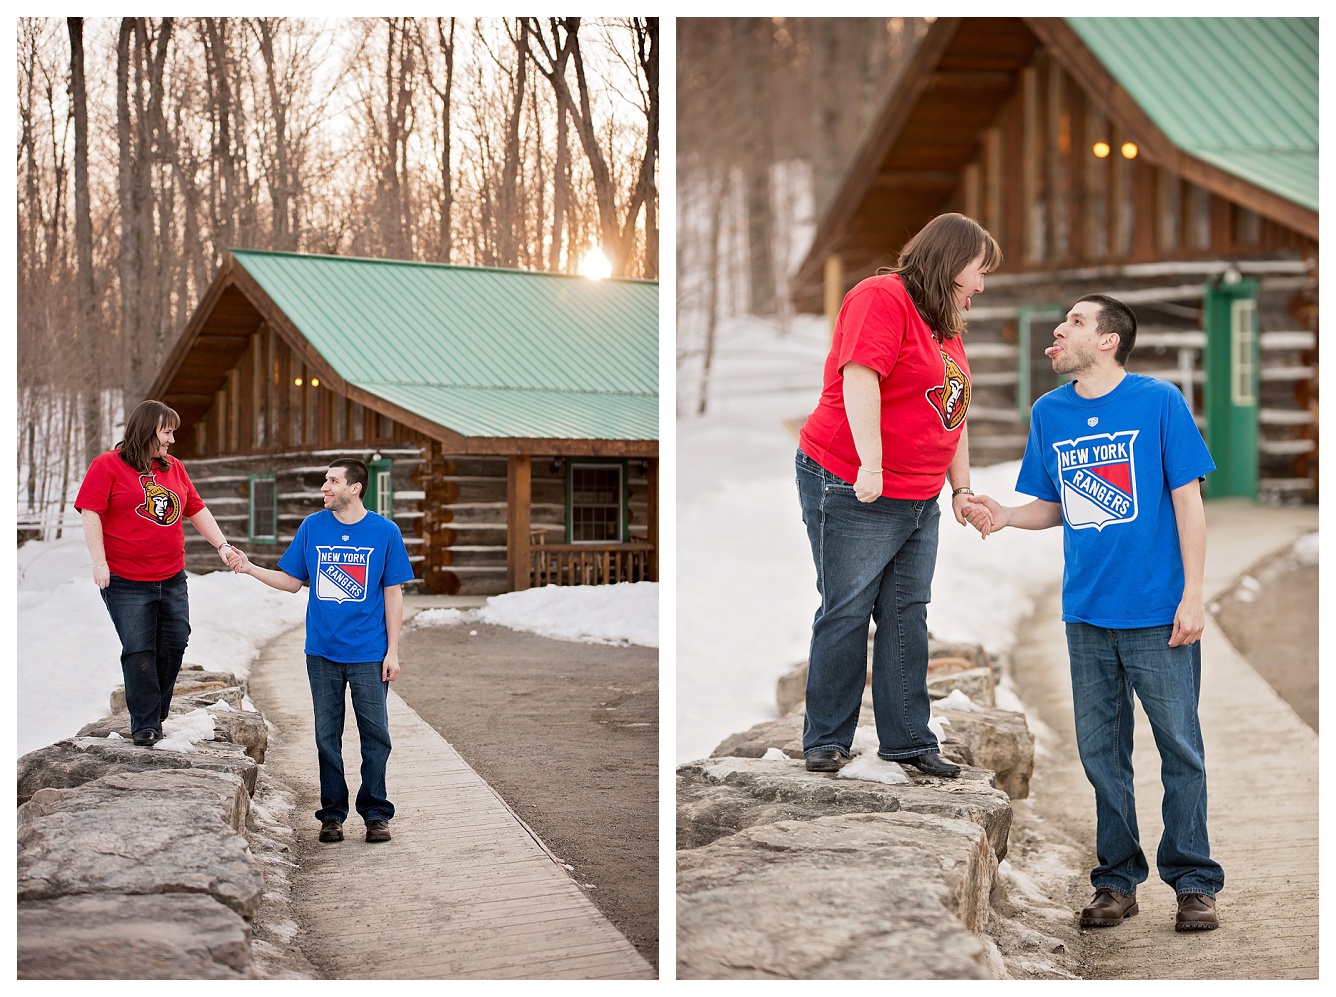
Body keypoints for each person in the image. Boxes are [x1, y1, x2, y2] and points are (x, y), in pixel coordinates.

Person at [963, 293, 1223, 932]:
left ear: (1108, 340)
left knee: (1179, 749)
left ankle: (1194, 882)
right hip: (1086, 614)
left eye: (1076, 321)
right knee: (1102, 754)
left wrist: (1193, 595)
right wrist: (1005, 515)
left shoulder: (1158, 402)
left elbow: (1187, 502)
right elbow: (1055, 503)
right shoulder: (1049, 412)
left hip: (1158, 612)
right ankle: (1116, 881)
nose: (1060, 328)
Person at [795, 212, 1001, 775]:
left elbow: (953, 411)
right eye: (978, 271)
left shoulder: (946, 324)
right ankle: (826, 739)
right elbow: (859, 375)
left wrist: (960, 489)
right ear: (949, 260)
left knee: (907, 612)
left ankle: (908, 739)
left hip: (918, 496)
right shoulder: (881, 297)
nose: (981, 286)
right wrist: (872, 464)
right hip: (853, 479)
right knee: (847, 608)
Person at [227, 458, 414, 845]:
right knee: (326, 737)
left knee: (375, 736)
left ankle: (376, 813)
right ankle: (332, 815)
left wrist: (392, 651)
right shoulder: (313, 527)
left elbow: (393, 594)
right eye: (325, 481)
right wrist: (249, 568)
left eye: (332, 481)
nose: (324, 488)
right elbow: (293, 580)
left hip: (369, 654)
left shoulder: (384, 532)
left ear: (355, 487)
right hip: (323, 653)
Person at [75, 399, 236, 746]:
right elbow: (91, 513)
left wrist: (221, 545)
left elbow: (196, 508)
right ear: (148, 430)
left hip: (171, 575)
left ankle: (155, 711)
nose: (172, 440)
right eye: (167, 432)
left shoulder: (172, 467)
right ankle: (146, 724)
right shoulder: (108, 465)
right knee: (139, 649)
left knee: (176, 641)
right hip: (126, 580)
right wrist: (98, 562)